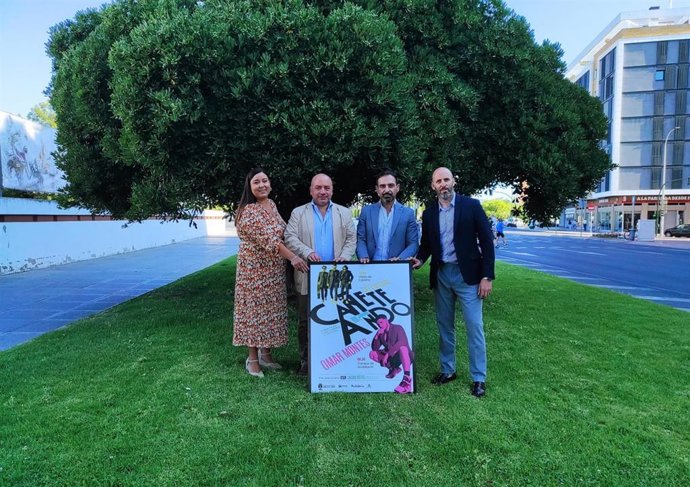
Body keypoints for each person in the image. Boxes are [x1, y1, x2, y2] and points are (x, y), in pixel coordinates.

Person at [411, 167, 495, 397]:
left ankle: (479, 378)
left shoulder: (472, 206)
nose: (443, 184)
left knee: (474, 326)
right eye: (438, 181)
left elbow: (487, 242)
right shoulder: (428, 213)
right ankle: (448, 370)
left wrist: (487, 276)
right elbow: (427, 244)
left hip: (468, 277)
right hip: (442, 275)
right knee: (444, 326)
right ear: (433, 186)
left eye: (446, 179)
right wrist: (419, 259)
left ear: (454, 181)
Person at [232, 168, 309, 378]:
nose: (262, 185)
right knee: (254, 314)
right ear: (249, 187)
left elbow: (284, 232)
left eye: (265, 180)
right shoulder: (248, 211)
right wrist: (293, 258)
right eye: (256, 182)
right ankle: (252, 359)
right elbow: (271, 241)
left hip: (272, 270)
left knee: (269, 311)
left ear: (270, 183)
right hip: (254, 272)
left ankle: (266, 355)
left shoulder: (272, 205)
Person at [285, 173, 357, 375]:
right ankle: (306, 361)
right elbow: (289, 236)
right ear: (311, 190)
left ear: (332, 190)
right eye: (318, 188)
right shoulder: (299, 213)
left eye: (326, 188)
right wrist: (307, 252)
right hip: (308, 275)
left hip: (336, 278)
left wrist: (344, 256)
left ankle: (335, 359)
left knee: (337, 319)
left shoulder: (344, 213)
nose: (323, 191)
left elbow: (352, 238)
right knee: (304, 320)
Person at [356, 170, 419, 263]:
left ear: (397, 188)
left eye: (391, 185)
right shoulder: (366, 212)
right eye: (382, 186)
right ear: (377, 190)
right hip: (370, 267)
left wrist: (400, 259)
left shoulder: (408, 213)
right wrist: (363, 256)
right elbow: (361, 239)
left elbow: (413, 244)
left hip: (395, 268)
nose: (387, 190)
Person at [369, 316, 414, 394]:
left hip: (403, 355)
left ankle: (407, 379)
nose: (380, 325)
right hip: (392, 358)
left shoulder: (397, 328)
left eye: (381, 322)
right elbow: (374, 348)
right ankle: (394, 368)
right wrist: (377, 336)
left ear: (386, 320)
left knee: (403, 348)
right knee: (372, 354)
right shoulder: (381, 333)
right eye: (378, 324)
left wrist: (387, 355)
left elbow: (401, 342)